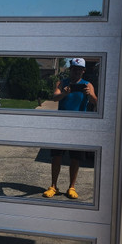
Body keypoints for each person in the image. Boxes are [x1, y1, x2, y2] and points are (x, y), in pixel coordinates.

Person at [43, 58, 97, 200]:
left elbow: (96, 101)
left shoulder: (88, 85)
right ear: (70, 69)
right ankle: (53, 186)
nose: (76, 71)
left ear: (83, 71)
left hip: (79, 126)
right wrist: (64, 93)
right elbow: (55, 98)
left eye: (79, 69)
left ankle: (71, 187)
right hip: (61, 125)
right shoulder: (62, 83)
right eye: (74, 69)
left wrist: (89, 95)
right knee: (56, 156)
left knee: (75, 158)